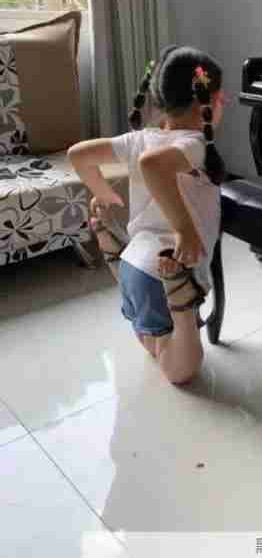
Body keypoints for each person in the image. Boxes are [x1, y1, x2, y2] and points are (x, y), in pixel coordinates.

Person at [69, 46, 226, 385]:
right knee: (181, 371)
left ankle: (114, 250)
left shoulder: (139, 139)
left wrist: (104, 193)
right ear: (211, 102)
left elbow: (78, 155)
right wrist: (184, 230)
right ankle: (181, 304)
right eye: (221, 99)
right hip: (165, 269)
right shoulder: (193, 145)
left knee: (154, 343)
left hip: (134, 265)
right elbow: (152, 166)